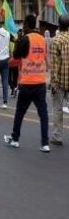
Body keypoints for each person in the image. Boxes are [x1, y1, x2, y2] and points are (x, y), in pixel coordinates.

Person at [4, 14, 50, 152]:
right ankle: (45, 144)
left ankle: (15, 139)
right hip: (40, 82)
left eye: (24, 25)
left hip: (27, 82)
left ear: (27, 25)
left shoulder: (24, 39)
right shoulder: (42, 39)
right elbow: (43, 58)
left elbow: (17, 56)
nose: (23, 27)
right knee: (43, 113)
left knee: (20, 112)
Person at [49, 14, 69, 146]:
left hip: (61, 81)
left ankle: (57, 137)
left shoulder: (55, 40)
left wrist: (53, 84)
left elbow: (55, 65)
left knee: (57, 109)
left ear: (58, 25)